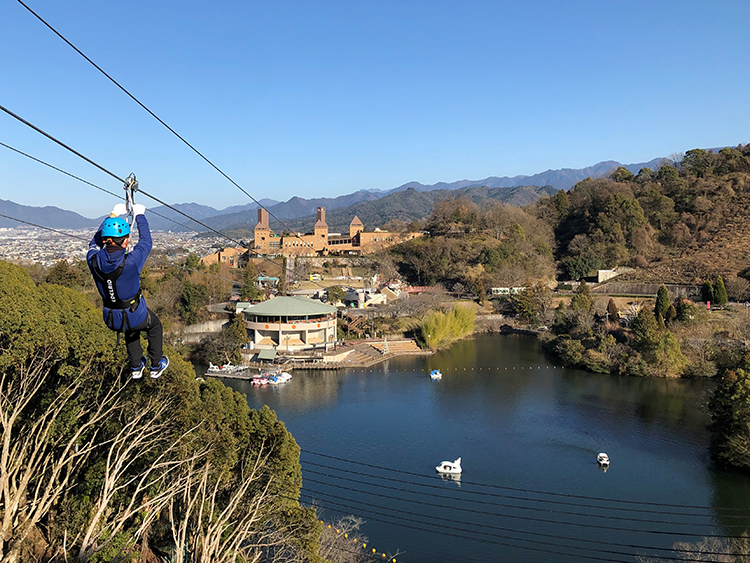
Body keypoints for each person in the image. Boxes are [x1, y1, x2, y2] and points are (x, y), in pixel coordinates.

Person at [87, 202, 168, 379]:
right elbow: (146, 240)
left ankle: (136, 366)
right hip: (135, 313)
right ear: (125, 241)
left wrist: (113, 215)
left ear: (105, 240)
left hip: (111, 318)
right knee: (154, 326)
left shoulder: (92, 259)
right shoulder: (130, 262)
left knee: (131, 330)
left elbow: (94, 241)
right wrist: (139, 215)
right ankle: (155, 365)